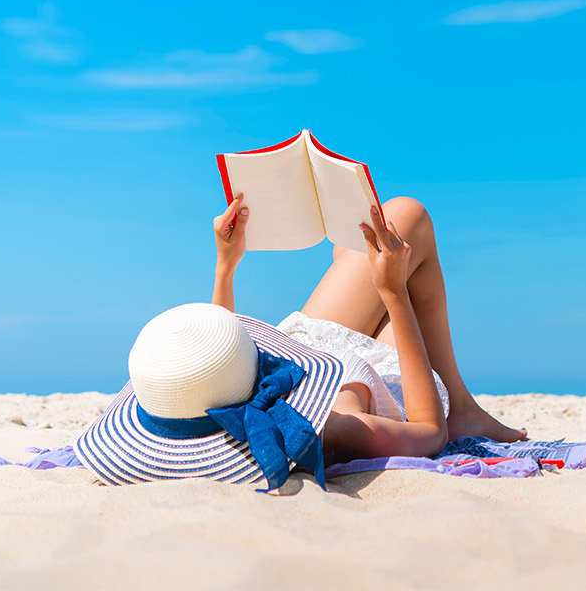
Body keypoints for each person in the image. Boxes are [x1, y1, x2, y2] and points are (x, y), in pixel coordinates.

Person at [211, 193, 528, 461]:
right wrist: (395, 295)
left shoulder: (219, 391)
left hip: (294, 357)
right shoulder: (343, 427)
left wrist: (226, 265)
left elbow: (210, 362)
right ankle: (461, 411)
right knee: (402, 223)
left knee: (365, 246)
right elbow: (431, 432)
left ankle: (464, 411)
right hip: (376, 383)